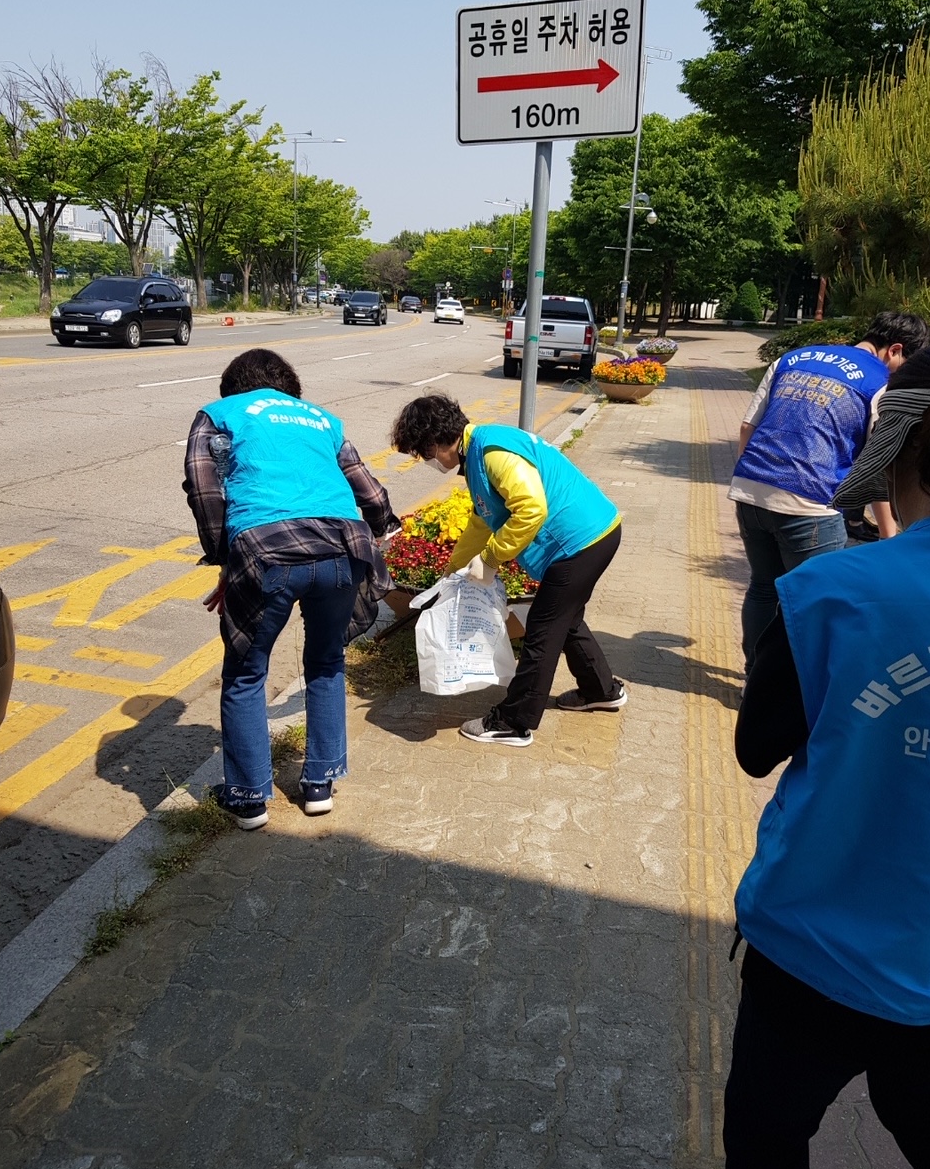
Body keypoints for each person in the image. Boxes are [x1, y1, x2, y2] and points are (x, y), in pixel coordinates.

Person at [723, 347, 930, 1169]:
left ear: (903, 454)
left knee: (769, 1147)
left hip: (812, 948)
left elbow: (755, 747)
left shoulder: (833, 591)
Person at [183, 349, 398, 828]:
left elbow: (203, 487)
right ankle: (320, 784)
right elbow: (371, 491)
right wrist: (383, 526)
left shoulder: (220, 415)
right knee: (325, 664)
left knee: (245, 674)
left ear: (234, 385)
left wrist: (225, 555)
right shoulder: (323, 420)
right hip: (345, 549)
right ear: (290, 385)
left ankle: (248, 798)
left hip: (265, 550)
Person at [390, 394, 624, 746]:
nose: (427, 461)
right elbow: (483, 521)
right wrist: (452, 570)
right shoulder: (478, 453)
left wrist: (490, 560)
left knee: (543, 629)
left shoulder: (492, 453)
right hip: (594, 534)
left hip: (580, 542)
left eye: (424, 453)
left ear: (436, 442)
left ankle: (514, 722)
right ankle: (601, 690)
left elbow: (530, 509)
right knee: (567, 618)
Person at [729, 310, 930, 672]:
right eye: (906, 364)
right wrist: (889, 537)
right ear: (895, 350)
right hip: (810, 505)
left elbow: (747, 427)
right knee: (816, 603)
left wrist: (762, 480)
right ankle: (795, 691)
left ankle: (753, 676)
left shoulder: (793, 358)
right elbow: (878, 465)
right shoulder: (878, 382)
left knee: (763, 587)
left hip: (749, 490)